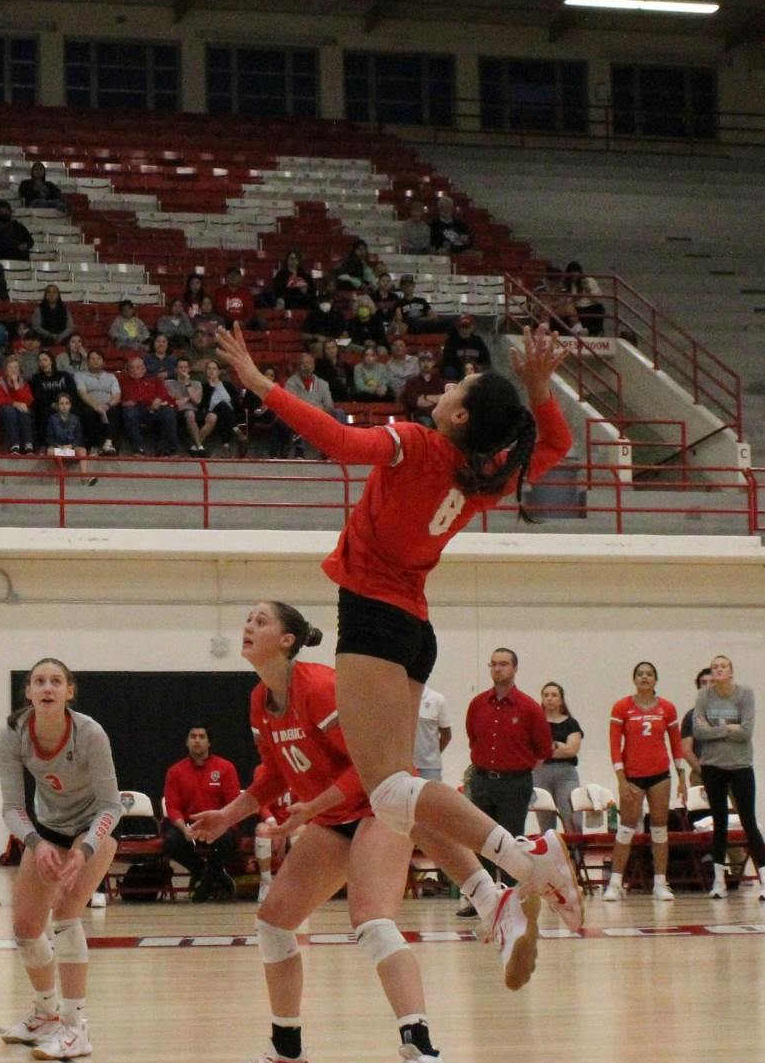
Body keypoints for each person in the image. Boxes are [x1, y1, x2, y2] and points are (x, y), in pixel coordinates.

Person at [214, 322, 585, 939]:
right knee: (398, 791)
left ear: (460, 416)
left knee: (389, 791)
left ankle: (526, 860)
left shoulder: (416, 443)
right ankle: (491, 897)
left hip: (374, 619)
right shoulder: (484, 476)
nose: (449, 383)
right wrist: (540, 390)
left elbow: (337, 440)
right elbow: (558, 443)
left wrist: (258, 383)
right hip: (412, 627)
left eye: (459, 384)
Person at [194, 603, 465, 1063]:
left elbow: (368, 764)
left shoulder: (319, 687)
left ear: (287, 640)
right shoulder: (259, 700)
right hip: (335, 814)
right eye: (248, 619)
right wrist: (229, 815)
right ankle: (287, 1056)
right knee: (274, 923)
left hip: (382, 802)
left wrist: (313, 807)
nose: (248, 626)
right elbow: (275, 772)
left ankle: (425, 1054)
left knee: (373, 921)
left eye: (261, 621)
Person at [0, 658, 121, 1063]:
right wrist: (35, 842)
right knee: (25, 928)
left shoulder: (90, 733)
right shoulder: (13, 732)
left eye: (55, 681)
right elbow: (11, 806)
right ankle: (46, 1013)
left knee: (66, 914)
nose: (47, 688)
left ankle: (75, 1027)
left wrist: (84, 849)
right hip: (48, 829)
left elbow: (112, 806)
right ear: (28, 693)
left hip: (92, 829)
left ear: (70, 691)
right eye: (39, 681)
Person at [462, 648, 550, 889]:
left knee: (511, 841)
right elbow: (473, 737)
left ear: (515, 668)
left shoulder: (529, 707)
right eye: (493, 664)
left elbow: (543, 749)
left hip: (515, 783)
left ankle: (512, 896)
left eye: (503, 664)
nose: (497, 669)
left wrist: (516, 768)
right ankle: (484, 897)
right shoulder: (478, 704)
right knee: (481, 839)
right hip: (482, 780)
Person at [602, 662, 688, 902]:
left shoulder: (667, 708)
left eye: (649, 674)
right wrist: (621, 779)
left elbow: (676, 744)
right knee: (626, 828)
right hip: (632, 775)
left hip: (660, 774)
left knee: (659, 828)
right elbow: (614, 746)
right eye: (640, 674)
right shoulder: (622, 707)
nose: (644, 677)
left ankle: (660, 883)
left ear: (655, 680)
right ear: (634, 679)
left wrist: (682, 778)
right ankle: (615, 883)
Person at [693, 654, 765, 900]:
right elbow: (698, 731)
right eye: (715, 667)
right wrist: (729, 727)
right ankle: (719, 882)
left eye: (723, 666)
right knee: (720, 822)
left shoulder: (744, 694)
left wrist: (714, 728)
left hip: (740, 765)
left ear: (731, 671)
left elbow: (746, 732)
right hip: (712, 766)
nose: (718, 670)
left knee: (748, 820)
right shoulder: (704, 696)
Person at [162, 726, 241, 901]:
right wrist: (184, 828)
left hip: (219, 824)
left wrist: (219, 824)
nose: (197, 740)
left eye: (201, 736)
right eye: (193, 736)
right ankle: (207, 872)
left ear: (209, 742)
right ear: (187, 742)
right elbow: (172, 807)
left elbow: (234, 804)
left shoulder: (226, 768)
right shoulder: (175, 771)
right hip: (189, 826)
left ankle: (204, 888)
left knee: (226, 840)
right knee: (171, 842)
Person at [533, 682, 584, 838]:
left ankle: (575, 851)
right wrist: (558, 745)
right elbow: (533, 750)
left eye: (554, 695)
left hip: (566, 775)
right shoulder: (535, 722)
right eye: (546, 695)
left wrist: (547, 748)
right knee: (545, 823)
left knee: (572, 819)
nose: (550, 698)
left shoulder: (571, 723)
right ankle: (549, 851)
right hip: (541, 774)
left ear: (561, 700)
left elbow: (571, 750)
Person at [0, 355, 35, 454]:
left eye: (16, 367)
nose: (13, 370)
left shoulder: (24, 383)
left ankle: (28, 444)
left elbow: (28, 400)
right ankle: (14, 445)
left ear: (19, 370)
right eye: (10, 367)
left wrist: (16, 384)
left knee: (23, 411)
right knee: (9, 410)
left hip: (20, 411)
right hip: (3, 411)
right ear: (6, 370)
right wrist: (14, 403)